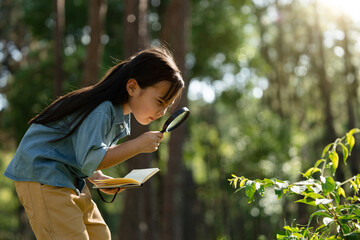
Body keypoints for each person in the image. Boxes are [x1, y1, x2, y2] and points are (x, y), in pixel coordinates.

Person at [4, 47, 185, 240]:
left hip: (68, 179)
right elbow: (93, 158)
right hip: (43, 175)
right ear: (132, 87)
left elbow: (84, 153)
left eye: (167, 106)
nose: (162, 112)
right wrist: (138, 145)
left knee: (101, 235)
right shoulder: (102, 110)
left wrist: (98, 178)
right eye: (159, 101)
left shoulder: (117, 115)